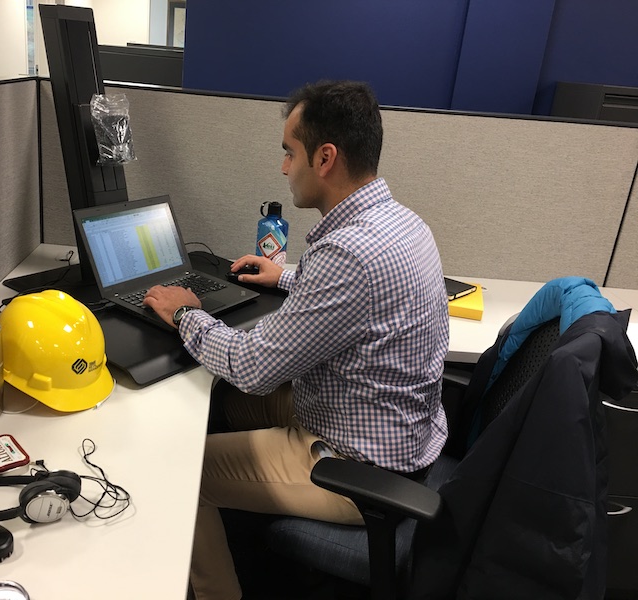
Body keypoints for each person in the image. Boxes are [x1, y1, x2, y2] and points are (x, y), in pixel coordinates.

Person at [142, 80, 449, 600]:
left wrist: (187, 314)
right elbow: (352, 297)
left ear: (325, 158)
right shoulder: (401, 223)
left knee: (180, 471)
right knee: (221, 408)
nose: (284, 167)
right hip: (392, 431)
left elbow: (254, 366)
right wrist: (284, 276)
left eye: (290, 152)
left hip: (356, 469)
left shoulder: (348, 255)